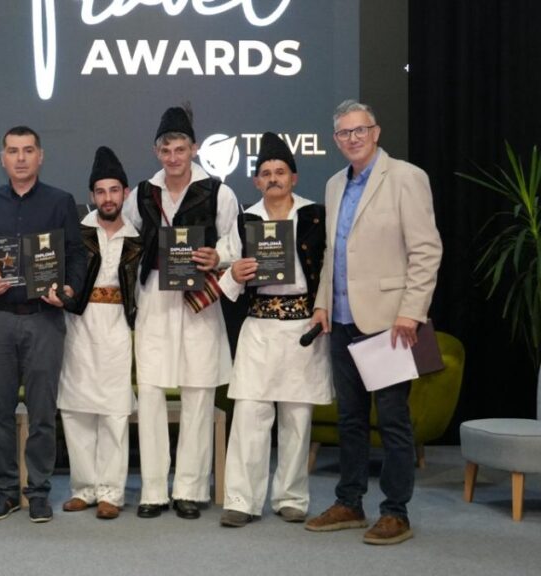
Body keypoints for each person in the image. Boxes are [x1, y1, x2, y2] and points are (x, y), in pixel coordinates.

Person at [305, 100, 442, 545]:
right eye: (344, 133)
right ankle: (349, 501)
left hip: (389, 321)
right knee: (350, 419)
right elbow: (333, 253)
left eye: (360, 130)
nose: (353, 138)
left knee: (393, 420)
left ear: (376, 132)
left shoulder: (406, 177)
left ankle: (395, 511)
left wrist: (411, 312)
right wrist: (323, 303)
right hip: (342, 319)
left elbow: (426, 250)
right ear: (335, 140)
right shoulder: (333, 184)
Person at [121, 104, 241, 519]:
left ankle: (191, 489)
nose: (173, 157)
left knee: (198, 392)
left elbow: (235, 242)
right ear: (157, 151)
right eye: (166, 150)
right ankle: (154, 490)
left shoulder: (220, 192)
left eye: (180, 149)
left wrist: (217, 255)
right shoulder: (141, 193)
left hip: (199, 298)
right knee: (151, 392)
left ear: (194, 149)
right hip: (155, 296)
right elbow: (128, 242)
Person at [0, 125, 86, 523]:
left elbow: (76, 254)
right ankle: (4, 491)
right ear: (2, 157)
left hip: (44, 319)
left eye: (28, 150)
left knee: (42, 412)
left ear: (40, 156)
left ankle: (38, 491)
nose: (20, 158)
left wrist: (68, 290)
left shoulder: (61, 202)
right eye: (13, 151)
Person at [217, 132, 332, 528]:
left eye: (280, 172)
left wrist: (325, 306)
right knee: (250, 415)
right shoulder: (245, 220)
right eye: (265, 173)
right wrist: (234, 272)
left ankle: (291, 497)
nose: (273, 179)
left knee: (297, 418)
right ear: (256, 181)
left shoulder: (315, 216)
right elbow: (227, 275)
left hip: (303, 327)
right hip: (259, 327)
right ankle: (241, 500)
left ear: (293, 177)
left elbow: (331, 268)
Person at [57, 146, 142, 520]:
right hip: (79, 326)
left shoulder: (138, 237)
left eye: (114, 190)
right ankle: (83, 488)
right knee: (76, 410)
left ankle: (111, 492)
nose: (108, 198)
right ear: (92, 195)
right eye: (101, 191)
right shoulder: (77, 233)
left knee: (114, 412)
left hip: (117, 328)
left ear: (125, 193)